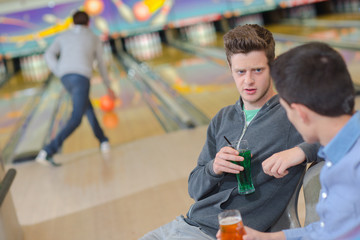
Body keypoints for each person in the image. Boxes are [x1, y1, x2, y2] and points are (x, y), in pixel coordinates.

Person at [140, 24, 319, 240]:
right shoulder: (222, 119)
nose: (248, 80)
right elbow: (194, 188)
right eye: (240, 72)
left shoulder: (291, 112)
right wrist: (212, 168)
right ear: (229, 68)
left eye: (258, 70)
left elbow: (348, 130)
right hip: (186, 224)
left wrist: (300, 152)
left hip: (224, 233)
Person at [234, 42, 360, 240]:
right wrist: (266, 238)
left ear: (301, 113)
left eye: (286, 109)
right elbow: (330, 231)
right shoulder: (339, 152)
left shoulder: (351, 171)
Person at [35, 10, 115, 166]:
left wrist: (59, 70)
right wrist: (108, 86)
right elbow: (100, 64)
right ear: (88, 23)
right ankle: (47, 151)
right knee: (76, 118)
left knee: (86, 106)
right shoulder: (93, 38)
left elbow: (48, 54)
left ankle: (103, 140)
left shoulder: (63, 36)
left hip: (65, 77)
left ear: (72, 23)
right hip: (81, 77)